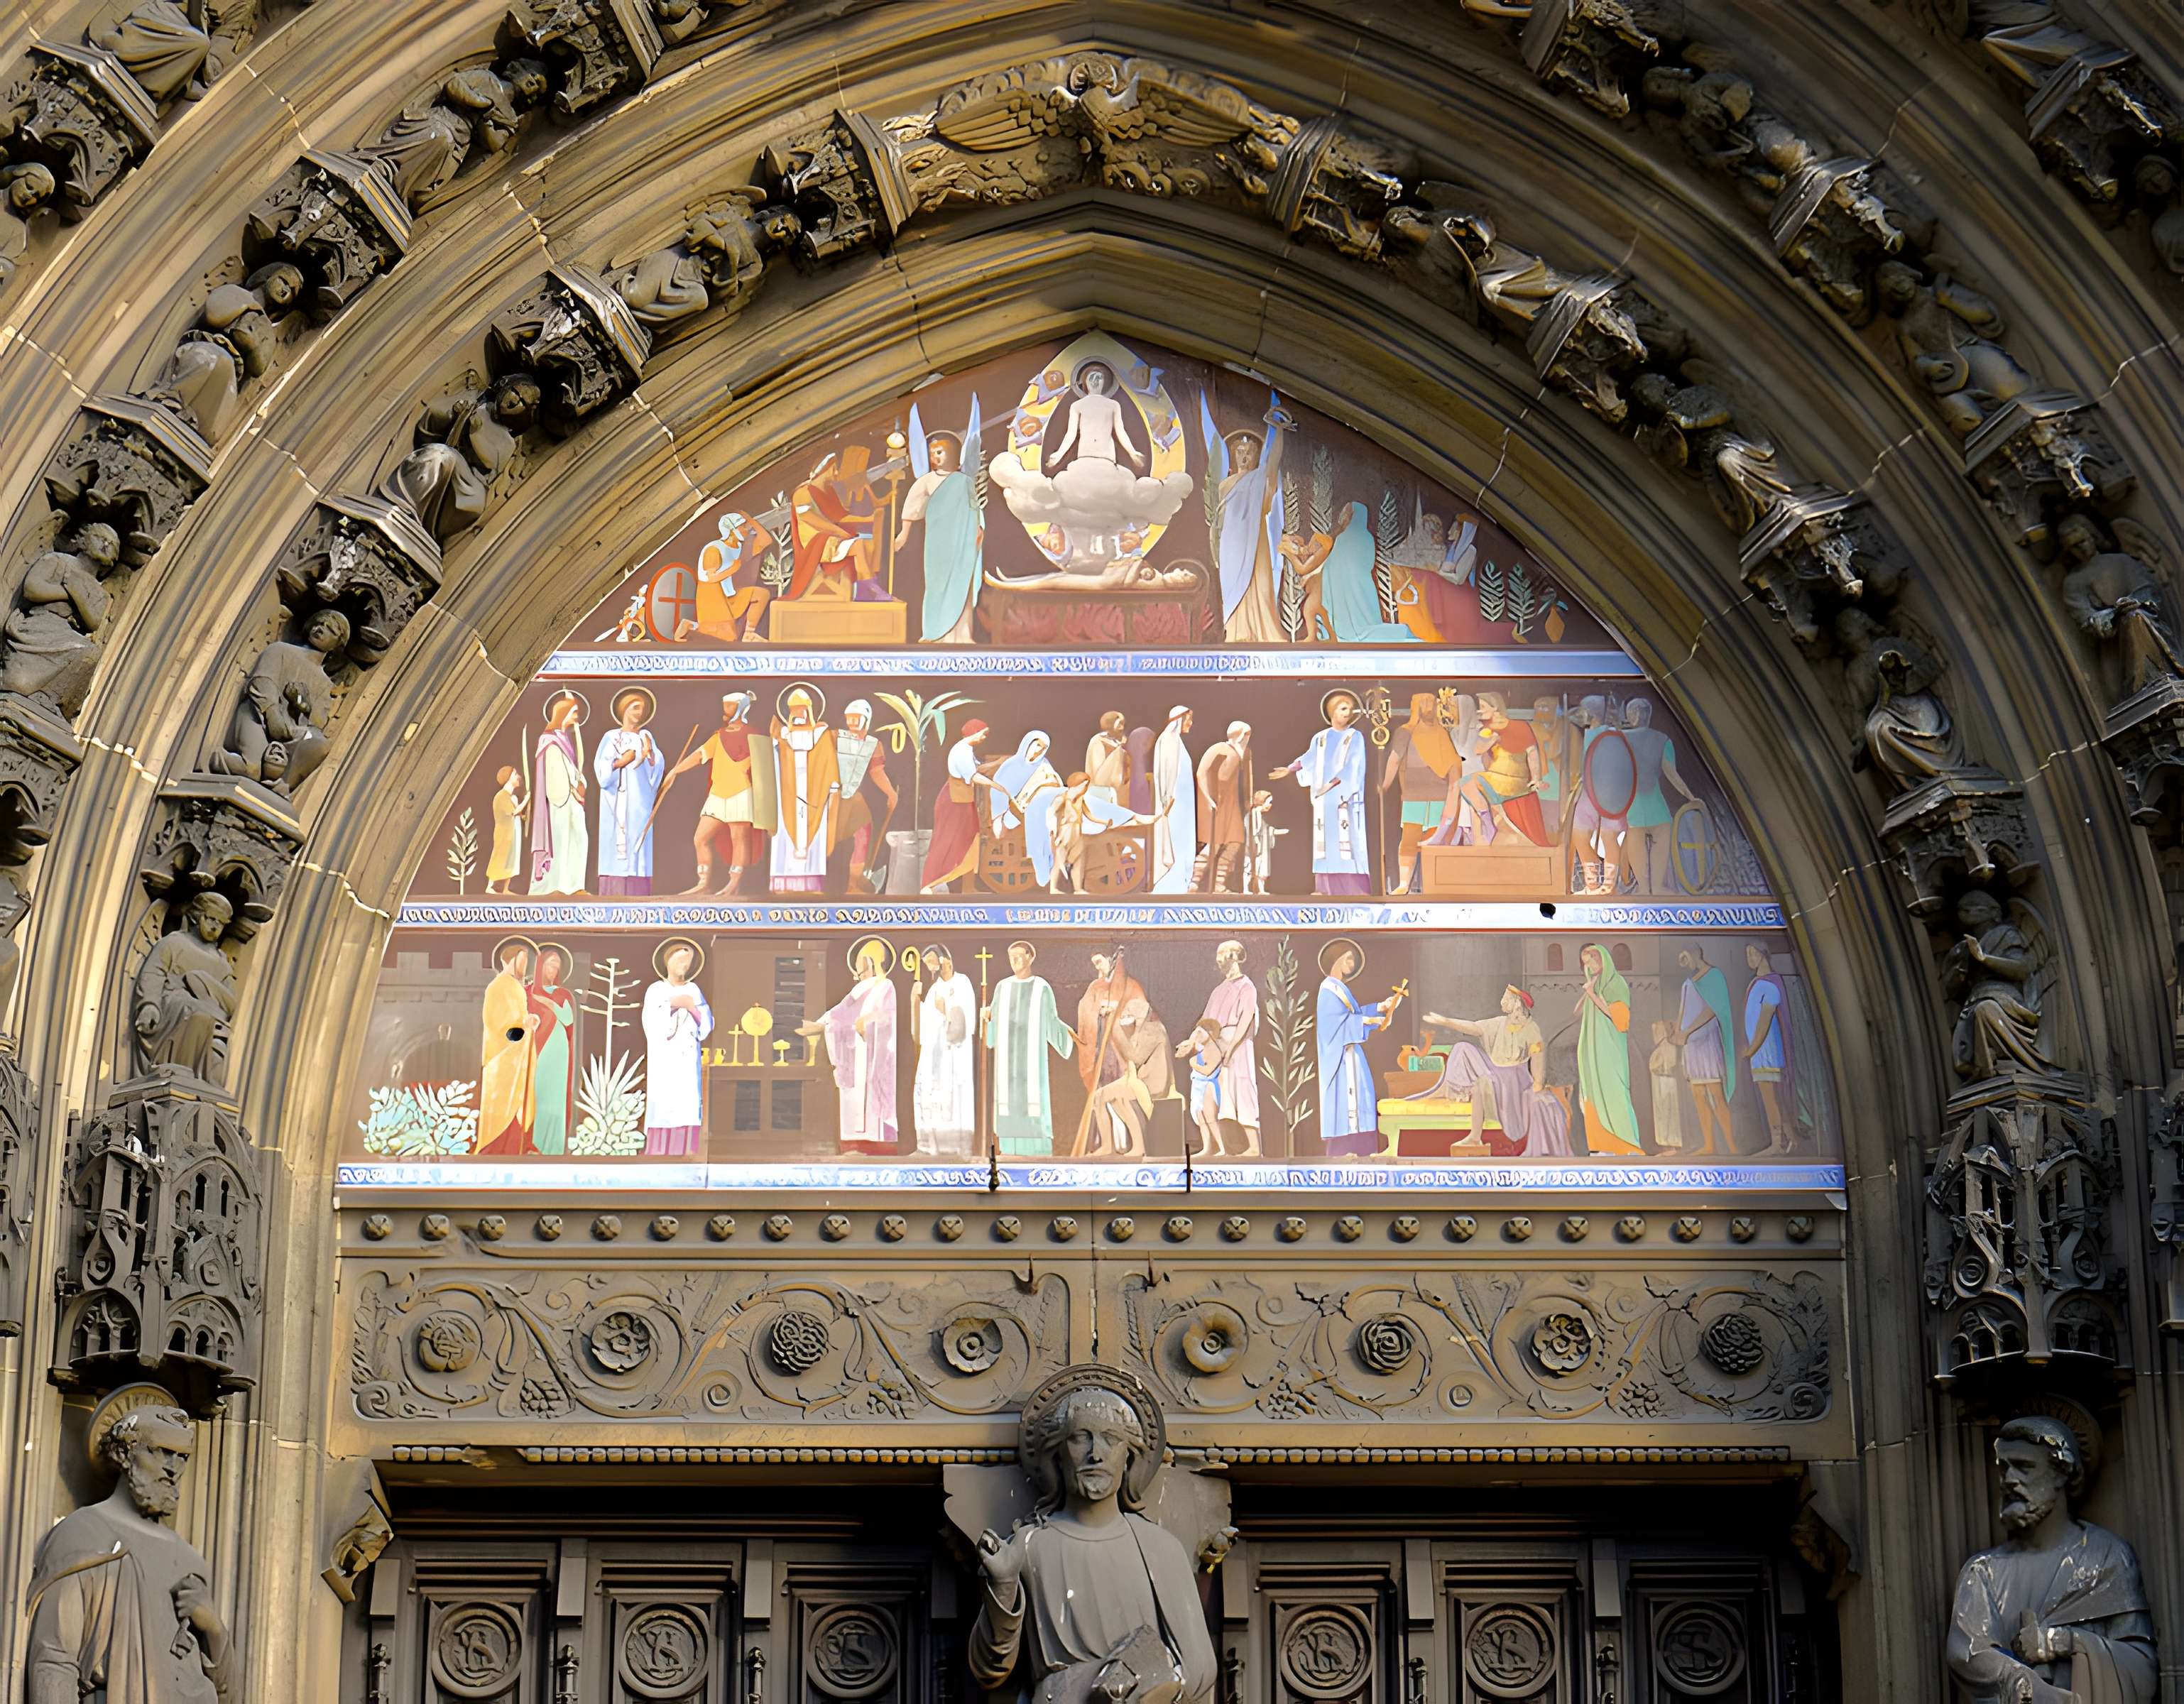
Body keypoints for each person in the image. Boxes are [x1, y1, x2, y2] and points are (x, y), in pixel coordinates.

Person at [969, 1375, 1216, 1704]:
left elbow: (1199, 1664)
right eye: (1080, 1439)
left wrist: (1145, 1687)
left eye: (1111, 1440)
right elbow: (990, 1669)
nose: (1095, 1455)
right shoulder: (1030, 1546)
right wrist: (1003, 1585)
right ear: (1057, 1455)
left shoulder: (1159, 1547)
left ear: (1129, 1457)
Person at [26, 1399, 236, 1704]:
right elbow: (55, 1659)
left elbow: (229, 1694)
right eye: (161, 1450)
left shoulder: (189, 1559)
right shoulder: (85, 1533)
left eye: (182, 1457)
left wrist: (214, 1630)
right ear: (125, 1453)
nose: (172, 1467)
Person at [1947, 1416, 2153, 1704]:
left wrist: (2061, 1642)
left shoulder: (2105, 1556)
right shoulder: (1983, 1573)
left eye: (2024, 1467)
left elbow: (2142, 1669)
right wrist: (2020, 1681)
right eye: (2003, 1468)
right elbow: (1969, 1654)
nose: (2009, 1480)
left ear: (2061, 1473)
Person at [1413, 985, 1570, 1157]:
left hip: (1515, 1079)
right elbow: (1474, 1027)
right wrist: (1446, 1022)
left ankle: (1474, 1135)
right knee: (1462, 1048)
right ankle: (1468, 1121)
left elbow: (1538, 1056)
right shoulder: (1500, 1023)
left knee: (1481, 1084)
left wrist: (1538, 1083)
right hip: (1495, 1069)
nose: (1503, 1001)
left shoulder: (1531, 1028)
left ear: (1517, 1003)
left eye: (1507, 998)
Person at [802, 939, 898, 1155]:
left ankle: (878, 1144)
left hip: (875, 1054)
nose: (859, 972)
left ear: (874, 962)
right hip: (855, 1052)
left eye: (863, 964)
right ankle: (853, 1144)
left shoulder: (886, 986)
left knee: (872, 1100)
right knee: (851, 1099)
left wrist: (869, 1021)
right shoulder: (860, 989)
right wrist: (822, 1024)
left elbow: (888, 1016)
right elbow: (839, 1012)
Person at [1272, 690, 1371, 896]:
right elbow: (1309, 758)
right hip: (1324, 802)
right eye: (1343, 708)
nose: (1347, 712)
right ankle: (1325, 889)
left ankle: (1353, 890)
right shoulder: (1321, 738)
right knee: (1325, 845)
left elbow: (1353, 766)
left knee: (1347, 845)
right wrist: (1290, 769)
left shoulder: (1354, 737)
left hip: (1345, 800)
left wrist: (1332, 785)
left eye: (1350, 708)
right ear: (1332, 712)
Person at [132, 892, 238, 1082]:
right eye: (211, 919)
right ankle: (178, 1075)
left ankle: (203, 1082)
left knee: (217, 1034)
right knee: (198, 1014)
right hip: (174, 1007)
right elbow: (153, 974)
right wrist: (149, 1005)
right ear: (196, 917)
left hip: (209, 1017)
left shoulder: (222, 962)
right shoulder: (174, 943)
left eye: (220, 923)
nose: (214, 926)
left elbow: (229, 1002)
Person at [983, 941, 1076, 1156]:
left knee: (1033, 1105)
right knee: (1008, 1106)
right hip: (1008, 1063)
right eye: (1011, 957)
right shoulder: (1002, 987)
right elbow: (993, 1026)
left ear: (1030, 958)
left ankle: (1038, 1156)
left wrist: (1065, 1034)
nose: (1015, 961)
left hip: (1031, 1061)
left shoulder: (1041, 988)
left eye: (1019, 956)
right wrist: (987, 1021)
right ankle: (1008, 1153)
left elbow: (1051, 1020)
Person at [667, 692, 764, 895]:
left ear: (740, 708)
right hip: (718, 793)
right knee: (700, 838)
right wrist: (675, 771)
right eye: (725, 705)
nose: (725, 710)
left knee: (739, 838)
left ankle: (734, 882)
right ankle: (704, 883)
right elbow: (699, 755)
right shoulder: (719, 736)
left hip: (741, 792)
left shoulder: (754, 736)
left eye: (729, 706)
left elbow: (764, 768)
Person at [897, 430, 984, 643]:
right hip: (937, 543)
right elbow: (912, 507)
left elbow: (975, 508)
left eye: (940, 452)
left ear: (953, 454)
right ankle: (935, 633)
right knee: (936, 586)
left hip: (962, 540)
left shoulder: (964, 481)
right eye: (931, 454)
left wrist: (979, 529)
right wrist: (903, 534)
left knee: (962, 583)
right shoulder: (927, 481)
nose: (935, 458)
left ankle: (962, 634)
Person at [1316, 939, 1397, 1159]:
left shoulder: (1340, 988)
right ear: (1337, 959)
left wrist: (1380, 1008)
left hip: (1351, 1056)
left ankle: (1363, 1150)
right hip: (1341, 1058)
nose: (1351, 964)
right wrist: (1368, 1019)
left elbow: (1353, 1016)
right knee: (1347, 1104)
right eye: (1348, 958)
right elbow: (1334, 1025)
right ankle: (1345, 1151)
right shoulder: (1328, 990)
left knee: (1363, 1099)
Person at [1074, 951, 1157, 1159]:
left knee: (1121, 1099)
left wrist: (1116, 1011)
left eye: (1100, 962)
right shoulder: (1094, 987)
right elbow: (1085, 1011)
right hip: (1101, 1049)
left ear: (1112, 961)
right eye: (1094, 964)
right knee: (1101, 1097)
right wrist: (1097, 1012)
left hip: (1120, 1052)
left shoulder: (1130, 986)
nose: (1098, 968)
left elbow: (1141, 1013)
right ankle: (1107, 1143)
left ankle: (1133, 1144)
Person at [1213, 419, 1287, 643]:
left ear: (1257, 457)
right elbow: (1221, 520)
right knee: (1233, 585)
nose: (1244, 457)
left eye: (1249, 453)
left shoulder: (1260, 479)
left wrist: (1279, 431)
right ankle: (1237, 632)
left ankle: (1264, 632)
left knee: (1261, 583)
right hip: (1231, 544)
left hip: (1256, 541)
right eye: (1240, 452)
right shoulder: (1225, 486)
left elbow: (1273, 463)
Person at [1381, 692, 1456, 893]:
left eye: (1431, 702)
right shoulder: (1406, 731)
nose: (1428, 707)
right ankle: (1404, 884)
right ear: (1415, 707)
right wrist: (1385, 785)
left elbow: (1453, 764)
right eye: (1423, 703)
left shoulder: (1442, 733)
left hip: (1440, 795)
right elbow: (1395, 759)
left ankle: (1435, 885)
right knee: (1410, 839)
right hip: (1414, 795)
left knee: (1436, 840)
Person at [643, 941, 712, 1156]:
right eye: (680, 960)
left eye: (687, 962)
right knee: (664, 1110)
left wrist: (691, 1006)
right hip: (664, 1062)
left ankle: (686, 1157)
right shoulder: (656, 989)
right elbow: (652, 1023)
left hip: (687, 1062)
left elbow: (707, 1024)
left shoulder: (693, 990)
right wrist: (673, 1004)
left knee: (687, 1110)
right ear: (668, 961)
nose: (684, 965)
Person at [785, 449, 885, 601]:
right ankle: (867, 589)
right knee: (858, 545)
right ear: (825, 470)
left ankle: (866, 588)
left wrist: (869, 519)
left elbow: (841, 517)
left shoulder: (828, 491)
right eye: (834, 469)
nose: (837, 473)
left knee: (863, 543)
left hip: (830, 536)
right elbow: (810, 519)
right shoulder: (802, 493)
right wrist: (838, 531)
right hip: (815, 543)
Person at [1620, 699, 1697, 893]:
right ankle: (1654, 887)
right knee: (1662, 837)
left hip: (1632, 805)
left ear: (1630, 716)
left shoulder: (1619, 738)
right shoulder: (1662, 739)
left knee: (1636, 838)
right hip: (1656, 806)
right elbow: (1672, 774)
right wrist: (1690, 797)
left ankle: (1645, 888)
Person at [1574, 944, 1644, 1156]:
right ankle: (1602, 1146)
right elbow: (1576, 1012)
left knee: (1614, 1095)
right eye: (1586, 962)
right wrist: (1590, 990)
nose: (1590, 965)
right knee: (1593, 1096)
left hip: (1610, 1052)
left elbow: (1620, 1021)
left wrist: (1593, 995)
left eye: (1593, 959)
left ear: (1603, 958)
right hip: (1593, 1052)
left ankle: (1627, 1146)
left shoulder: (1616, 984)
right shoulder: (1595, 985)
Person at [769, 687, 841, 893]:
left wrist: (833, 784)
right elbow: (777, 762)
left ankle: (811, 885)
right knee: (785, 836)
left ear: (809, 711)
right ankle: (784, 884)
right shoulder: (784, 736)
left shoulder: (821, 734)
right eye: (794, 710)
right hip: (789, 794)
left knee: (814, 839)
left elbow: (828, 760)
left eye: (802, 710)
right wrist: (775, 742)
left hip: (815, 794)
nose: (798, 714)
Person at [923, 719, 1008, 892]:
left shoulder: (967, 750)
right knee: (948, 842)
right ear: (974, 732)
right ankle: (928, 884)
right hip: (954, 803)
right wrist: (997, 786)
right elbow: (974, 776)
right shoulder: (961, 751)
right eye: (983, 733)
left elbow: (979, 769)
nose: (984, 737)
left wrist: (998, 763)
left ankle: (968, 887)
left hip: (964, 802)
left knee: (972, 841)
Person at [594, 689, 664, 897]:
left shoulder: (646, 736)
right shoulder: (611, 737)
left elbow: (656, 767)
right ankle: (611, 894)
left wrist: (650, 754)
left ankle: (639, 893)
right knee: (614, 846)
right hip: (615, 802)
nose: (639, 712)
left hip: (639, 802)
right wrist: (619, 763)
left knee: (638, 846)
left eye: (642, 708)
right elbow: (602, 770)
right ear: (624, 710)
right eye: (635, 707)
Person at [1195, 940, 1262, 1157]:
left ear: (1234, 956)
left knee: (1242, 1091)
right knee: (1216, 1094)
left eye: (1223, 954)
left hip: (1238, 1046)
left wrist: (1232, 1048)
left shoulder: (1246, 986)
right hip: (1218, 1046)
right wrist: (1195, 1043)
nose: (1219, 960)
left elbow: (1245, 1020)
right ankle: (1217, 1146)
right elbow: (1205, 1021)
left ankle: (1253, 1146)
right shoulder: (1218, 990)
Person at [1458, 692, 1551, 846]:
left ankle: (1489, 825)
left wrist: (1536, 779)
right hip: (1495, 779)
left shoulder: (1519, 726)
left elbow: (1532, 753)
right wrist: (1493, 738)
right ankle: (1487, 824)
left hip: (1515, 780)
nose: (1479, 711)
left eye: (1482, 707)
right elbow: (1478, 750)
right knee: (1467, 785)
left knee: (1468, 784)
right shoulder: (1486, 730)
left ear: (1495, 707)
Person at [1669, 946, 1737, 1157]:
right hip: (1691, 1045)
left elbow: (1713, 1009)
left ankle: (1732, 1146)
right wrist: (1678, 1034)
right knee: (1698, 1094)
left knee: (1716, 1093)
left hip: (1707, 1040)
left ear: (1694, 953)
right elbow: (1682, 1010)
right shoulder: (1688, 982)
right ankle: (1709, 1144)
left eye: (1685, 957)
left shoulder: (1713, 976)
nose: (1683, 962)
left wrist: (1688, 1031)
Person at [912, 945, 978, 1157]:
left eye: (932, 961)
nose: (931, 967)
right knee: (932, 1097)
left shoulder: (962, 983)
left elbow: (966, 1022)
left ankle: (956, 1149)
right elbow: (922, 1027)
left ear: (945, 959)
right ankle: (931, 1146)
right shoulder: (933, 989)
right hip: (934, 1054)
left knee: (954, 1100)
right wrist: (915, 1003)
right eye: (927, 964)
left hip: (954, 1054)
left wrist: (946, 1009)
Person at [1318, 501, 1415, 643]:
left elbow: (1332, 565)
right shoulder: (1366, 537)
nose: (1343, 519)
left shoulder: (1342, 538)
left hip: (1341, 588)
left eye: (1346, 515)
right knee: (1366, 622)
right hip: (1361, 587)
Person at [476, 940, 537, 1156]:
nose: (526, 964)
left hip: (517, 1058)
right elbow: (498, 1024)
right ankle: (496, 1149)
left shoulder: (514, 987)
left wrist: (527, 1022)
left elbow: (517, 1018)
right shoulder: (499, 986)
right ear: (512, 960)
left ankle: (516, 1147)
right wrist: (523, 1025)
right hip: (501, 1059)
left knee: (518, 1104)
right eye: (524, 958)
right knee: (502, 1107)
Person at [832, 699, 897, 894]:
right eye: (849, 718)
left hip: (854, 798)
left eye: (857, 718)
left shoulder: (872, 744)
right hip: (830, 798)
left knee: (863, 833)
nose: (852, 722)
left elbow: (876, 772)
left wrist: (891, 793)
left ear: (866, 720)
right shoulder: (834, 737)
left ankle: (854, 882)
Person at [1570, 695, 1632, 895]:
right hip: (1588, 793)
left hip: (1608, 794)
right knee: (1578, 834)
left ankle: (1608, 885)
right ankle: (1591, 883)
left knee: (1609, 836)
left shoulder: (1611, 735)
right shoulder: (1587, 734)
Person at [528, 690, 589, 895]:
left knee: (579, 838)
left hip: (573, 801)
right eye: (573, 712)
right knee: (561, 841)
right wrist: (572, 787)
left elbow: (572, 767)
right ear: (563, 713)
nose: (576, 717)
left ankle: (575, 885)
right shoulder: (549, 741)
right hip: (559, 802)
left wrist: (582, 783)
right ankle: (555, 886)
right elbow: (554, 771)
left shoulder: (563, 739)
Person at [1744, 941, 1800, 1154]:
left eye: (1751, 952)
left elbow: (1764, 1022)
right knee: (1774, 1097)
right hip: (1759, 1051)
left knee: (1770, 1097)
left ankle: (1778, 1143)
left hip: (1767, 1051)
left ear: (1762, 954)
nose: (1748, 957)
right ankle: (1790, 1139)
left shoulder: (1769, 985)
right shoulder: (1759, 983)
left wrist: (1751, 1049)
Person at [683, 509, 772, 642]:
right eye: (742, 526)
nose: (746, 530)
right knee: (728, 637)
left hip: (729, 594)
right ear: (732, 530)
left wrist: (751, 519)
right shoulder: (714, 549)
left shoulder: (739, 548)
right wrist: (732, 569)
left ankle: (749, 634)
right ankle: (690, 626)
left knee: (761, 595)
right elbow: (709, 578)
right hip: (711, 596)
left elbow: (766, 540)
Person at [1191, 721, 1252, 892]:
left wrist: (1248, 799)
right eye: (1245, 734)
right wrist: (1208, 798)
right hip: (1218, 803)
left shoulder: (1244, 753)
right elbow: (1201, 772)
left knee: (1235, 842)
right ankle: (1194, 882)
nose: (1247, 739)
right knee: (1214, 844)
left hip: (1233, 805)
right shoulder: (1218, 749)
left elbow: (1247, 779)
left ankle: (1219, 885)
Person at [528, 945, 577, 1156]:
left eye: (556, 967)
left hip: (558, 1049)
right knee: (537, 1094)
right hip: (537, 1048)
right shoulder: (527, 992)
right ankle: (534, 1144)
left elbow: (568, 1019)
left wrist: (549, 1002)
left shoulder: (562, 994)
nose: (553, 971)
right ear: (540, 967)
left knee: (555, 1099)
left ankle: (553, 1148)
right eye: (549, 966)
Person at [1149, 707, 1196, 895]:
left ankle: (1182, 881)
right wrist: (1167, 799)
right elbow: (1167, 772)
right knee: (1175, 840)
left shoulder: (1177, 741)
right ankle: (1171, 883)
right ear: (1179, 719)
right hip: (1173, 804)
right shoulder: (1168, 740)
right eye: (1188, 720)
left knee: (1184, 840)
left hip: (1183, 804)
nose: (1191, 724)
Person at [1184, 1020, 1226, 1158]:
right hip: (1198, 1087)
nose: (1198, 1035)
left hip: (1209, 1086)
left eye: (1201, 1032)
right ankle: (1207, 1147)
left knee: (1210, 1117)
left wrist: (1194, 1065)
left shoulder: (1215, 1049)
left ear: (1210, 1033)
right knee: (1201, 1117)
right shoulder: (1202, 1050)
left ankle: (1222, 1146)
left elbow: (1208, 1071)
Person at [484, 763, 527, 893]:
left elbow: (518, 814)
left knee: (511, 862)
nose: (518, 777)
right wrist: (527, 799)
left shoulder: (512, 797)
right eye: (515, 774)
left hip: (513, 835)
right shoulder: (501, 796)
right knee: (500, 859)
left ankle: (505, 889)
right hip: (504, 835)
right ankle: (490, 886)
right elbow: (514, 812)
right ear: (509, 778)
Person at [1084, 711, 1130, 809]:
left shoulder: (1122, 741)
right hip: (1101, 789)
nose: (1121, 728)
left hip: (1119, 790)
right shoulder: (1098, 741)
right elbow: (1098, 774)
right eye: (1119, 724)